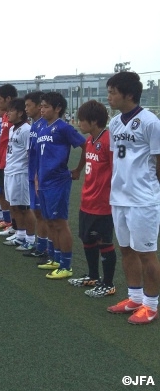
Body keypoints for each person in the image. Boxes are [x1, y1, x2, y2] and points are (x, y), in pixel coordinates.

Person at [105, 71, 160, 324]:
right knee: (126, 249)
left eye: (113, 92)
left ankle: (151, 304)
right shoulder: (115, 123)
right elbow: (118, 159)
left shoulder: (151, 122)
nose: (109, 96)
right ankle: (135, 298)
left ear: (128, 94)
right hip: (119, 197)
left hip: (143, 200)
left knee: (147, 253)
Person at [68, 100, 117, 298]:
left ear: (94, 121)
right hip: (87, 200)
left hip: (103, 204)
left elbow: (117, 171)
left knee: (104, 242)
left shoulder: (108, 141)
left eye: (82, 120)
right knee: (87, 239)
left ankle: (109, 284)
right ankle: (93, 276)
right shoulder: (90, 140)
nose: (79, 124)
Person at [35, 92, 85, 279]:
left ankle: (66, 265)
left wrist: (78, 169)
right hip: (44, 182)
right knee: (49, 221)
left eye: (46, 106)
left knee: (60, 222)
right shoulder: (42, 128)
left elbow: (85, 145)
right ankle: (55, 258)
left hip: (58, 181)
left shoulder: (64, 128)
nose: (42, 109)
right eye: (41, 106)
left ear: (57, 109)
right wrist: (37, 177)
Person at [1, 99, 36, 251]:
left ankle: (31, 238)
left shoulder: (27, 129)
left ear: (20, 113)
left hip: (20, 172)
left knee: (24, 207)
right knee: (13, 205)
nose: (7, 113)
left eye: (11, 111)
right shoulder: (12, 129)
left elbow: (30, 154)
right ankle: (20, 235)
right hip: (10, 171)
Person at [23, 91, 50, 260]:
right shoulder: (34, 125)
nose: (26, 109)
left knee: (43, 214)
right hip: (32, 174)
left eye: (28, 106)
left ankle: (47, 248)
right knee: (37, 212)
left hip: (41, 176)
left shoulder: (45, 125)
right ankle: (40, 246)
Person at [0, 84, 17, 235]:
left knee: (10, 196)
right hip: (0, 162)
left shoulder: (16, 118)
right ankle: (7, 221)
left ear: (8, 99)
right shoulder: (4, 117)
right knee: (0, 191)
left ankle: (15, 225)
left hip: (10, 164)